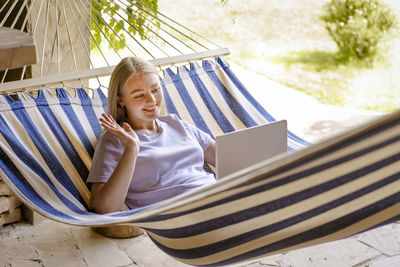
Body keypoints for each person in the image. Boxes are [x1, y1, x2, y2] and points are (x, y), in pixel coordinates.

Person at [87, 57, 216, 214]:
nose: (152, 100)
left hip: (216, 197)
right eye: (139, 95)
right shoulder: (114, 141)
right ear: (120, 100)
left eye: (155, 90)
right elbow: (104, 208)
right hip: (181, 215)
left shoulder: (175, 123)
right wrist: (132, 148)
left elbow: (229, 157)